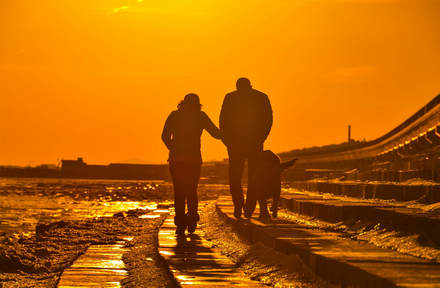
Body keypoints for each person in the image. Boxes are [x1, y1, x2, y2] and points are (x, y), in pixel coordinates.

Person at [162, 93, 221, 234]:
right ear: (198, 104)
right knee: (191, 191)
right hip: (193, 160)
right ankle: (192, 220)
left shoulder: (174, 115)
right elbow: (216, 133)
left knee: (179, 192)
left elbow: (164, 136)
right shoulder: (200, 116)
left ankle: (181, 223)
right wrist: (232, 132)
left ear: (183, 102)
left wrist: (173, 148)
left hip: (176, 160)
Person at [220, 78, 273, 218]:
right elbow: (268, 119)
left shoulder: (231, 97)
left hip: (239, 144)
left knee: (236, 177)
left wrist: (227, 140)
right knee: (253, 176)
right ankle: (247, 206)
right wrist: (262, 137)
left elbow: (223, 120)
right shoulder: (261, 97)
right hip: (252, 143)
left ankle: (240, 205)